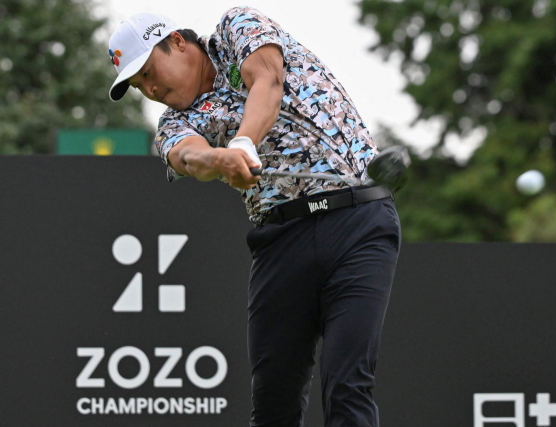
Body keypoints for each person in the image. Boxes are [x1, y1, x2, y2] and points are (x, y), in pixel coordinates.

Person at [108, 7, 401, 427]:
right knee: (273, 402)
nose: (150, 88)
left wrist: (244, 141)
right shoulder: (174, 122)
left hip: (356, 220)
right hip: (281, 242)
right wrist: (217, 157)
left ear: (176, 42)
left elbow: (267, 80)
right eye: (139, 86)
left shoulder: (236, 27)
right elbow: (188, 156)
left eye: (149, 71)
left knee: (347, 385)